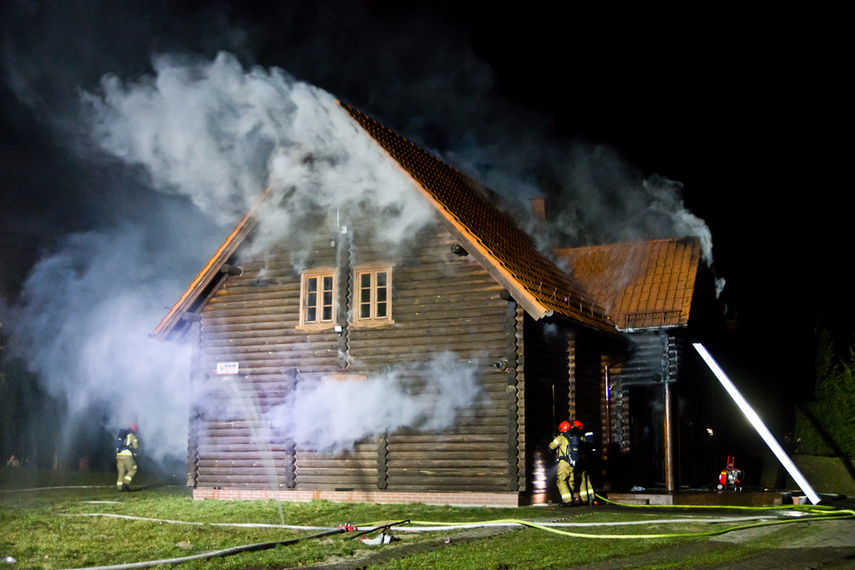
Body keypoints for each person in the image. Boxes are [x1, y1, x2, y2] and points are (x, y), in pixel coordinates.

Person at [549, 419, 595, 506]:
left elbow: (551, 447)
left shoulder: (561, 438)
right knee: (578, 480)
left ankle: (568, 500)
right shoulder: (579, 438)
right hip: (577, 462)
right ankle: (586, 499)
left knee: (561, 480)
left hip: (567, 462)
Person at [116, 424, 139, 492]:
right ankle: (126, 484)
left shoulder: (123, 436)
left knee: (121, 472)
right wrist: (135, 455)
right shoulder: (132, 436)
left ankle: (119, 488)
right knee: (133, 469)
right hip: (127, 455)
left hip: (119, 455)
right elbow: (135, 448)